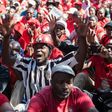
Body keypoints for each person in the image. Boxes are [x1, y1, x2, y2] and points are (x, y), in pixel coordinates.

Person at [1, 14, 88, 110]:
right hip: (29, 106)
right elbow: (6, 59)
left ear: (50, 51)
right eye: (36, 47)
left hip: (50, 107)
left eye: (42, 47)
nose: (38, 50)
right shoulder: (26, 64)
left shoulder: (56, 65)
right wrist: (6, 38)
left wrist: (82, 38)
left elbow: (78, 60)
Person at [27, 64, 98, 112]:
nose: (65, 87)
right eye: (60, 82)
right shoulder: (42, 97)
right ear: (52, 83)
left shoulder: (78, 95)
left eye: (68, 82)